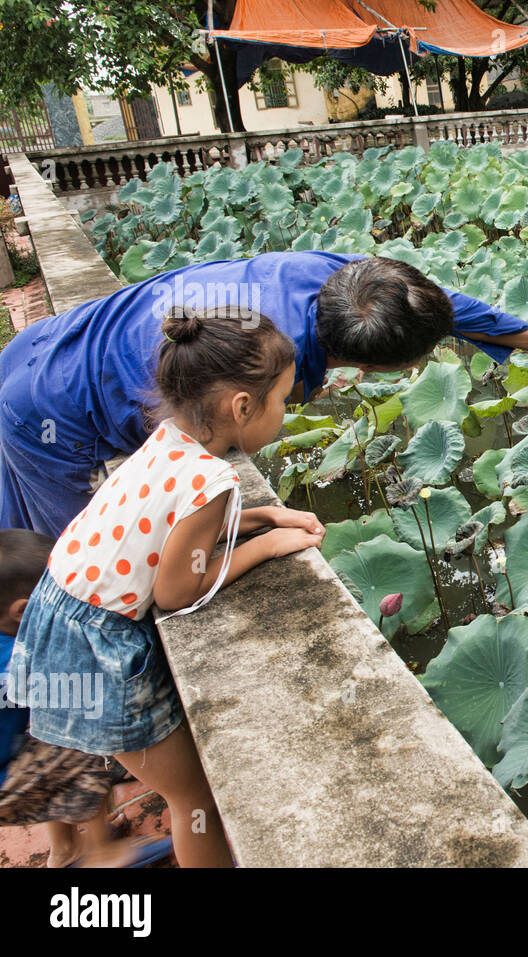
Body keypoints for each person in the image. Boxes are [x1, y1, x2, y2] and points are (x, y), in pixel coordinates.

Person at [7, 305, 326, 867]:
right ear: (243, 406)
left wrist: (262, 518)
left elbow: (169, 529)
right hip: (95, 649)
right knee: (195, 797)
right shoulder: (215, 480)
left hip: (60, 615)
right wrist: (265, 547)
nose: (286, 409)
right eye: (281, 399)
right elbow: (179, 588)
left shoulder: (165, 442)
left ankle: (69, 852)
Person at [0, 251, 528, 538]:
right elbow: (192, 463)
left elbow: (434, 302)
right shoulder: (258, 366)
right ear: (373, 365)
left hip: (46, 341)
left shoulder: (342, 284)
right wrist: (248, 527)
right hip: (50, 410)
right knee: (67, 562)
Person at [0, 529, 172, 867]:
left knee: (47, 739)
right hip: (7, 780)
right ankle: (100, 853)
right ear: (22, 611)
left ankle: (64, 850)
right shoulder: (17, 659)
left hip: (10, 758)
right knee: (82, 741)